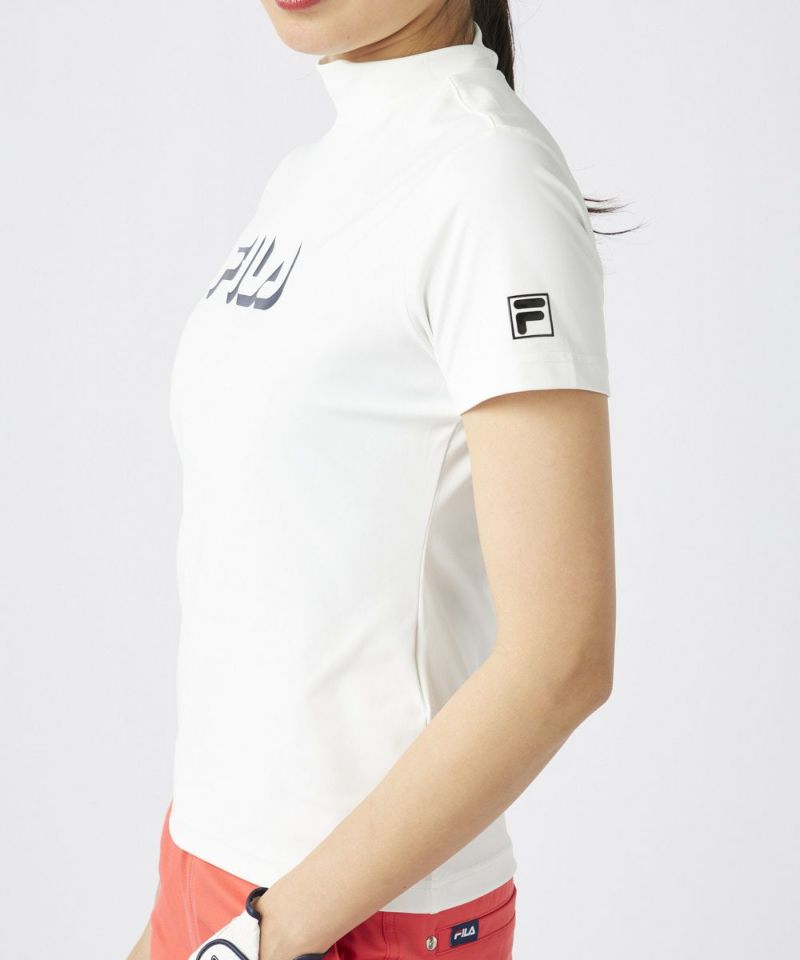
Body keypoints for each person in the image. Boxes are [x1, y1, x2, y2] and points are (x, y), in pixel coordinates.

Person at [129, 1, 617, 958]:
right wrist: (173, 921)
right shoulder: (308, 175)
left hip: (353, 916)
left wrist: (268, 934)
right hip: (208, 874)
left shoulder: (491, 181)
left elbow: (563, 657)